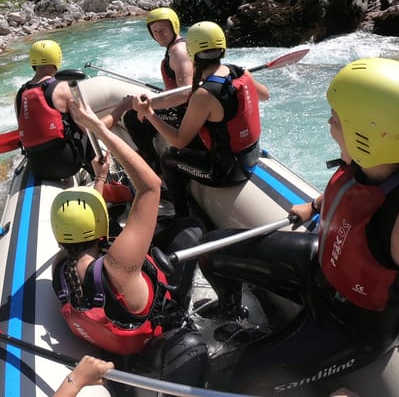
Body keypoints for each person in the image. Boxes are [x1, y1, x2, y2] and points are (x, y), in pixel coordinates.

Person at [196, 58, 399, 397]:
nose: (328, 123)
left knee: (228, 378)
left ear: (369, 134)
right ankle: (232, 310)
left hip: (356, 326)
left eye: (336, 118)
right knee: (212, 249)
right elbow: (358, 193)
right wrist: (316, 205)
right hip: (321, 269)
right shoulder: (375, 159)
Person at [50, 97, 207, 386]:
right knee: (190, 228)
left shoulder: (61, 270)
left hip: (118, 343)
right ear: (102, 225)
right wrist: (99, 128)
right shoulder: (119, 264)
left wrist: (100, 178)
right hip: (160, 340)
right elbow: (150, 187)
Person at [131, 21, 269, 218]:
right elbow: (264, 95)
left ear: (191, 52)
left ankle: (182, 217)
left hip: (226, 170)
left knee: (168, 158)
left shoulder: (204, 94)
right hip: (251, 154)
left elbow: (179, 140)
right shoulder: (239, 72)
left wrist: (150, 113)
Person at [121, 7, 199, 171]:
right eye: (154, 31)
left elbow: (184, 93)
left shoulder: (179, 51)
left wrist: (148, 107)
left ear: (174, 27)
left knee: (131, 117)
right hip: (183, 108)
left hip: (184, 114)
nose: (159, 34)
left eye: (163, 29)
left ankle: (151, 165)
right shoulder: (174, 48)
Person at [15, 40, 93, 180]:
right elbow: (86, 127)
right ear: (57, 58)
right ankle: (98, 176)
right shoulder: (64, 87)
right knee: (88, 133)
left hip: (37, 167)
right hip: (67, 164)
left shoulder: (20, 94)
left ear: (33, 62)